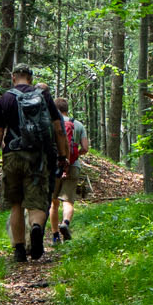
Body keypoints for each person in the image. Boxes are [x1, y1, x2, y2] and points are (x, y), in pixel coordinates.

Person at [0, 64, 62, 262]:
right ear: (30, 78)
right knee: (36, 201)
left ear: (13, 78)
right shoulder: (43, 96)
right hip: (38, 156)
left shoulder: (5, 98)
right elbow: (58, 128)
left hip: (12, 155)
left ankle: (19, 249)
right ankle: (36, 228)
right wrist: (62, 156)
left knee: (16, 203)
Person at [52, 95, 90, 243]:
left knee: (53, 202)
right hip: (73, 166)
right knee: (68, 201)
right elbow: (85, 148)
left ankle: (55, 236)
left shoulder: (53, 124)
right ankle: (65, 223)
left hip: (55, 166)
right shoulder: (78, 125)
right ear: (67, 109)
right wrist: (74, 156)